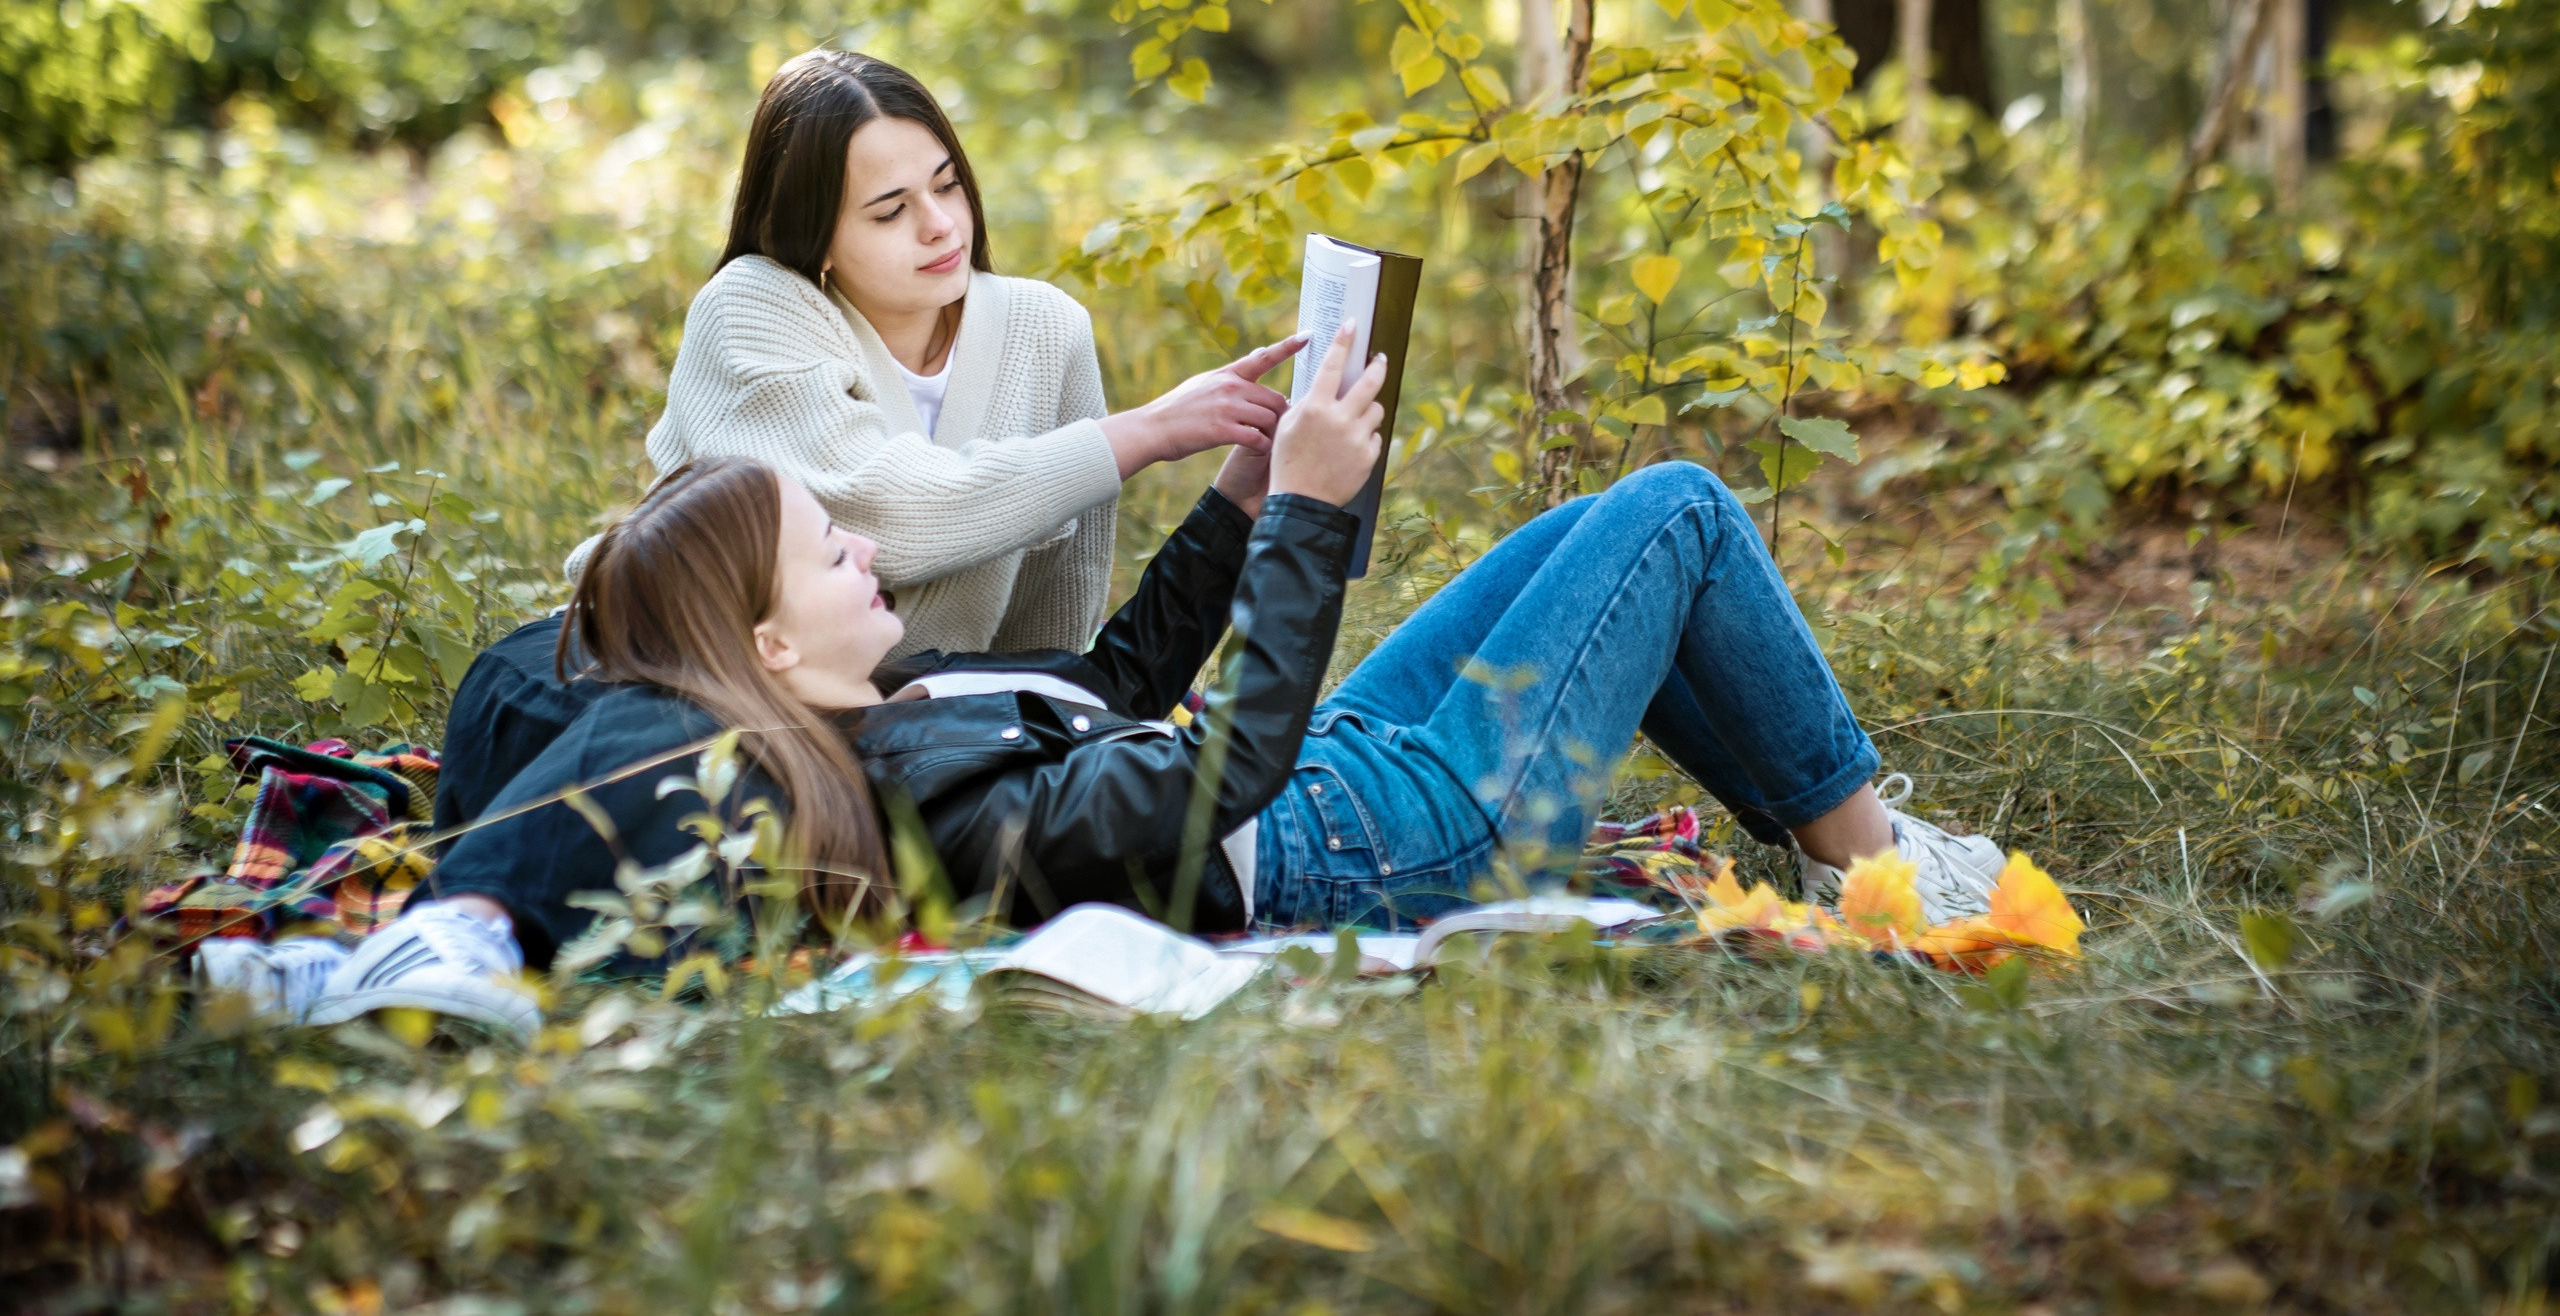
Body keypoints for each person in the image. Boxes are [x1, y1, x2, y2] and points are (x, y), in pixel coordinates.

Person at [304, 328, 2003, 1037]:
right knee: (1682, 513)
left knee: (1604, 529)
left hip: (1340, 767)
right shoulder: (918, 786)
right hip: (1388, 833)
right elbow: (1212, 776)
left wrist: (1247, 500)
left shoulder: (881, 700)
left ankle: (1838, 830)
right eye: (834, 554)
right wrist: (1319, 527)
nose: (871, 561)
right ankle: (1889, 870)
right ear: (762, 650)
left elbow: (1117, 674)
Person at [594, 47, 1303, 662]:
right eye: (890, 211)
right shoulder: (751, 309)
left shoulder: (1046, 331)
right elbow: (878, 516)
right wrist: (1145, 431)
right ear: (814, 235)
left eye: (947, 185)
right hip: (695, 716)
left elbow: (1050, 628)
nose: (940, 226)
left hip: (919, 743)